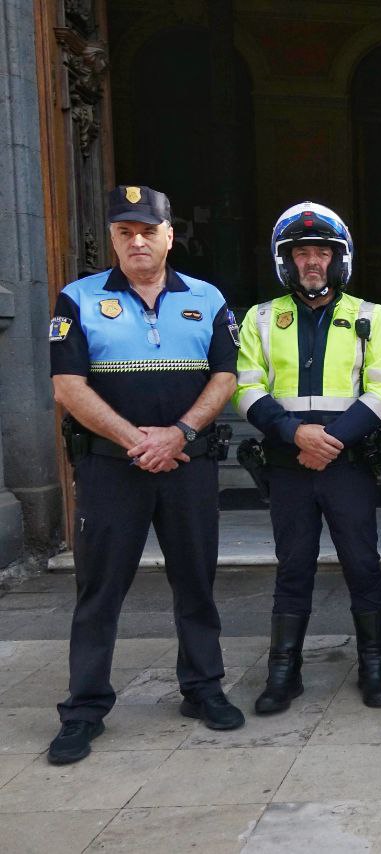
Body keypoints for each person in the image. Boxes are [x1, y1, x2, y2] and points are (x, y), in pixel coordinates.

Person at [47, 185, 243, 765]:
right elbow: (67, 387)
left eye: (148, 231)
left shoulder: (207, 298)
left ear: (169, 236)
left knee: (196, 581)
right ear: (112, 239)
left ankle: (203, 688)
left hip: (187, 466)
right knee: (99, 590)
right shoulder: (78, 299)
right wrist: (139, 441)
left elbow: (226, 377)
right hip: (112, 470)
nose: (137, 241)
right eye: (124, 232)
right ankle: (84, 709)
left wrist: (178, 433)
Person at [234, 202, 381, 713]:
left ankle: (374, 667)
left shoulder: (370, 316)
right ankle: (283, 672)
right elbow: (245, 388)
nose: (312, 262)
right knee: (293, 567)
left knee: (363, 565)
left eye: (322, 253)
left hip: (346, 463)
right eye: (302, 252)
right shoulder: (260, 318)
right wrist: (294, 434)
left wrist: (330, 441)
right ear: (286, 260)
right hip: (288, 464)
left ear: (338, 259)